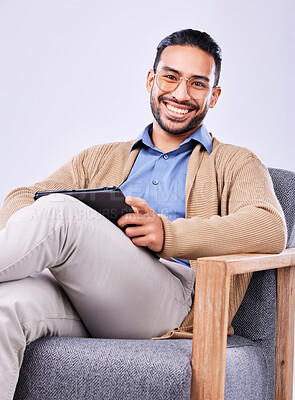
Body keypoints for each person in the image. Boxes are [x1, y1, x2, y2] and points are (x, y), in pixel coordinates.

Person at [0, 28, 286, 399]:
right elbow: (23, 196)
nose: (181, 94)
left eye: (198, 84)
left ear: (213, 96)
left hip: (172, 301)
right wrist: (89, 233)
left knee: (59, 213)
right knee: (6, 306)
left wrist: (168, 235)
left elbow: (269, 225)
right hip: (86, 296)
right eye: (170, 77)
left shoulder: (235, 161)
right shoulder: (101, 156)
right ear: (151, 80)